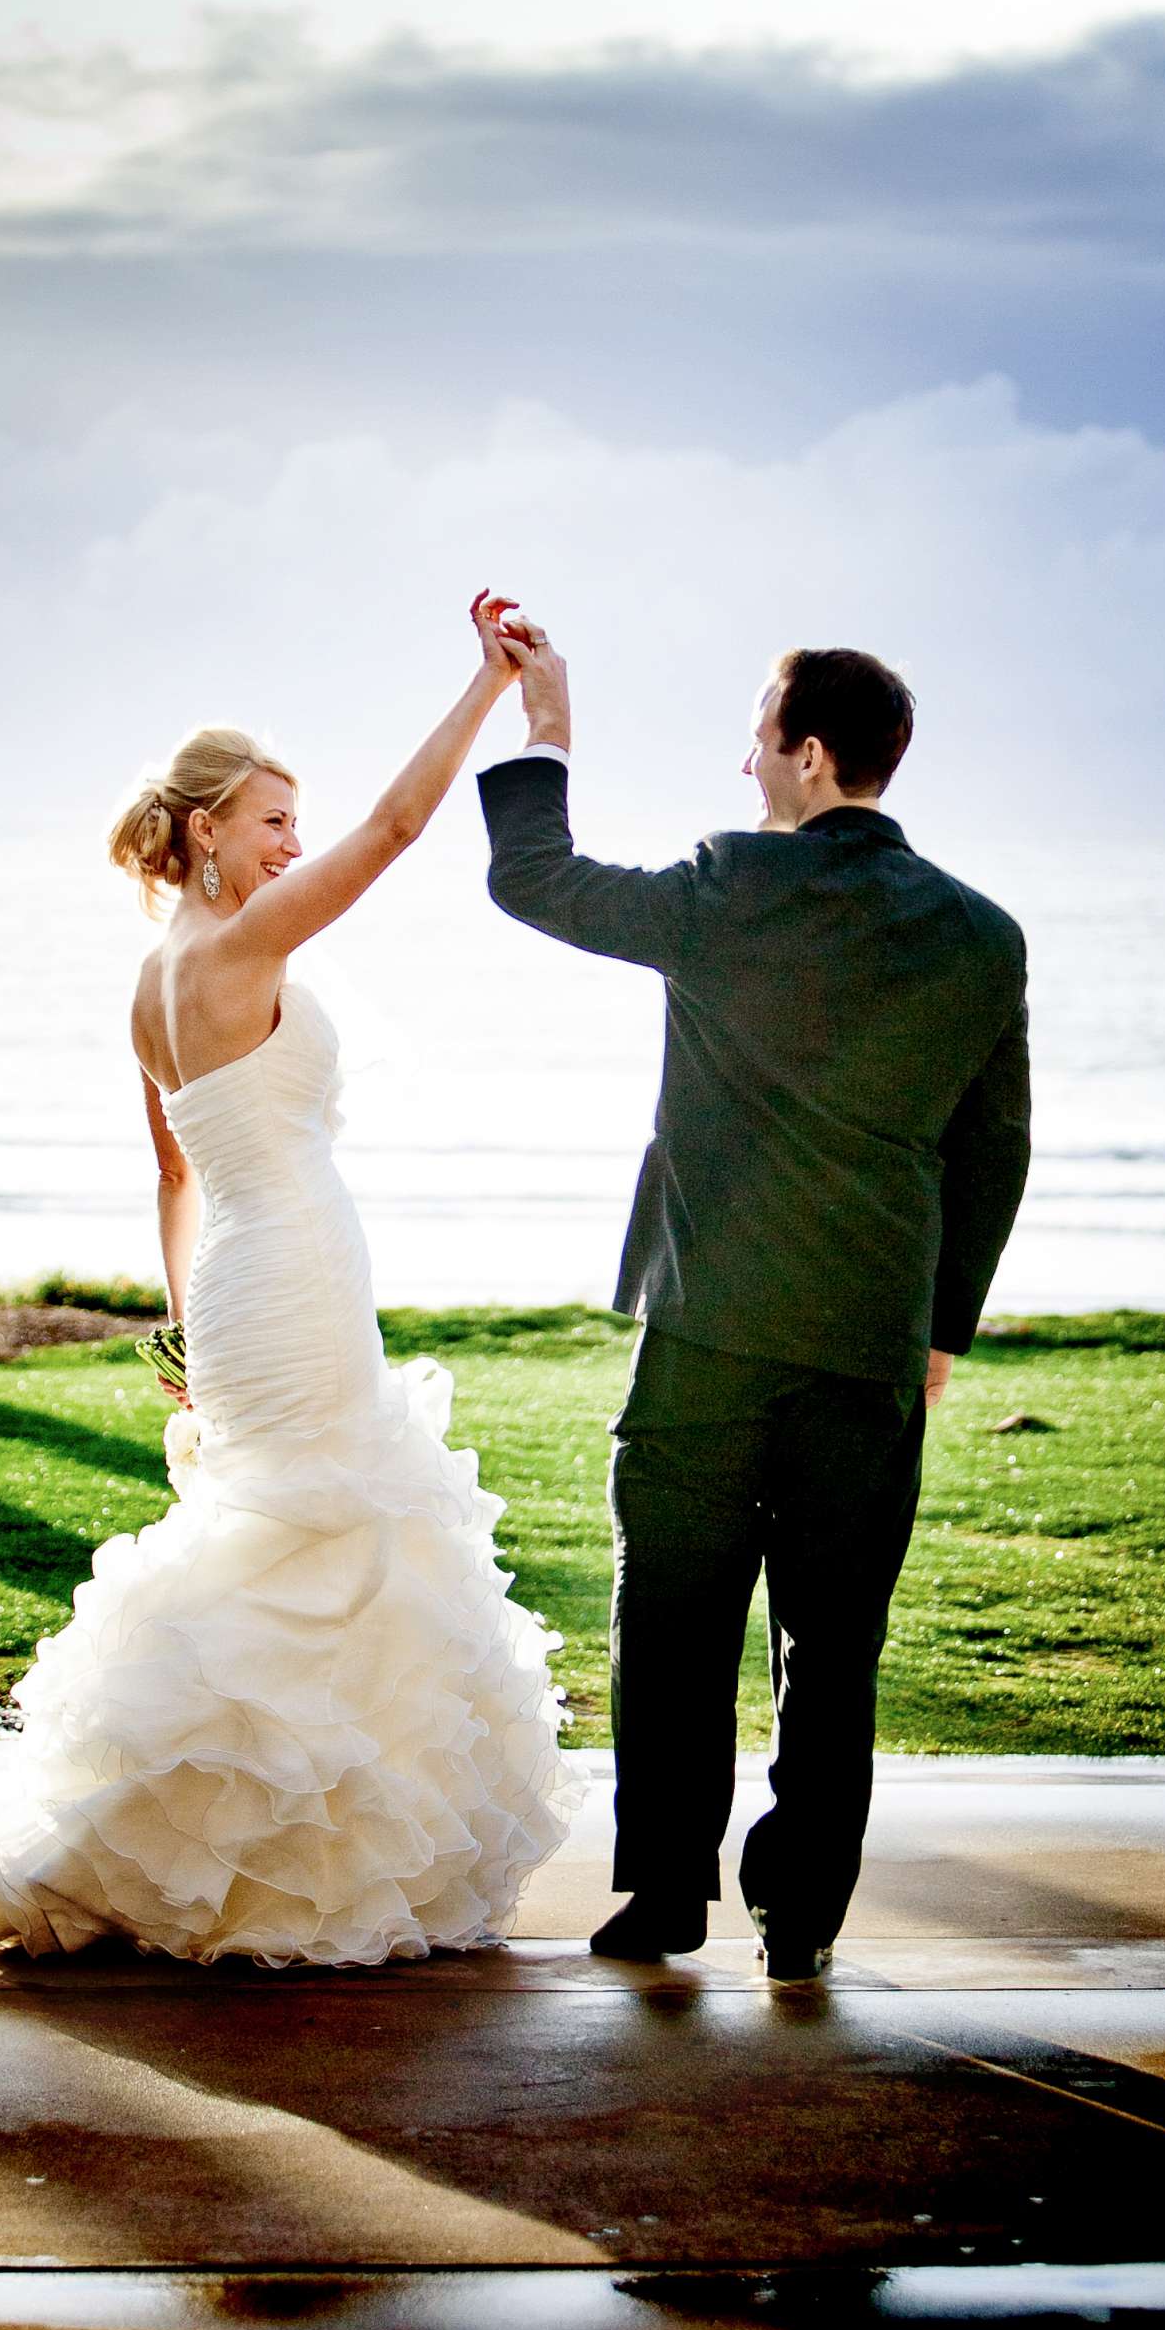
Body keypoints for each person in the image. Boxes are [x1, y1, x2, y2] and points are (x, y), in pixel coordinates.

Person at [0, 593, 580, 1967]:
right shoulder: (241, 946)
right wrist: (488, 691)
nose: (294, 842)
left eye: (298, 821)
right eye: (274, 820)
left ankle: (230, 1842)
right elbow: (400, 833)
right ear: (206, 830)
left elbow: (171, 1178)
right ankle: (284, 1866)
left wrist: (180, 1320)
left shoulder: (147, 983)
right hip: (288, 1266)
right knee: (325, 1537)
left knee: (276, 1532)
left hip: (230, 1280)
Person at [479, 621, 1030, 1982]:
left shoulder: (730, 887)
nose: (744, 763)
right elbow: (994, 1145)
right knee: (833, 1643)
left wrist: (547, 722)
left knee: (670, 1624)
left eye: (758, 738)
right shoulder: (980, 935)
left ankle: (666, 1896)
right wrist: (943, 1326)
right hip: (869, 1344)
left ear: (811, 756)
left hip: (712, 1334)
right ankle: (803, 1919)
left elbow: (535, 878)